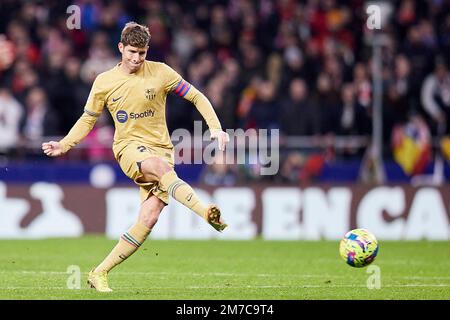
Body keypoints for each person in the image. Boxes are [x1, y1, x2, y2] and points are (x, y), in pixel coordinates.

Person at [41, 22, 229, 292]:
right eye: (131, 52)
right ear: (120, 48)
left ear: (147, 50)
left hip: (162, 148)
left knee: (149, 218)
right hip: (129, 148)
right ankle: (205, 212)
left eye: (141, 53)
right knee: (160, 169)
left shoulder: (161, 72)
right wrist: (65, 144)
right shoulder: (104, 81)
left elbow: (197, 97)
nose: (136, 58)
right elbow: (88, 119)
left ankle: (99, 272)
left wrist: (215, 128)